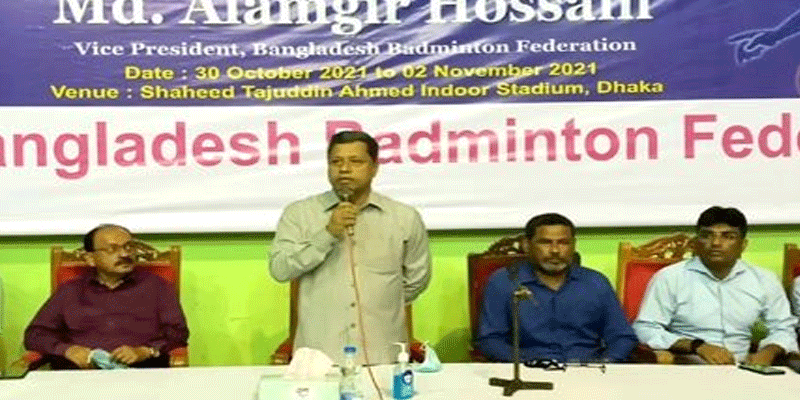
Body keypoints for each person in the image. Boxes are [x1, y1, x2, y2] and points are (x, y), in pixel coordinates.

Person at [269, 131, 432, 364]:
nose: (344, 169)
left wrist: (381, 300)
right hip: (319, 358)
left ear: (374, 167)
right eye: (336, 162)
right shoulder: (299, 214)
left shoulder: (404, 218)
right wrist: (327, 234)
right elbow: (280, 269)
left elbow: (416, 280)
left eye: (356, 161)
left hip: (383, 355)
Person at [633, 206, 798, 365]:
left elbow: (783, 328)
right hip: (686, 364)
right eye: (707, 235)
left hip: (742, 366)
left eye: (728, 236)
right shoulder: (670, 277)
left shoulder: (764, 279)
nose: (716, 243)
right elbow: (645, 329)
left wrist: (769, 352)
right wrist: (697, 346)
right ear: (696, 242)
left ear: (743, 245)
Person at [475, 213, 637, 362]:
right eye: (545, 242)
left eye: (563, 243)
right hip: (529, 369)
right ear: (526, 245)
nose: (555, 250)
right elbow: (490, 339)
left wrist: (607, 362)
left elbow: (622, 336)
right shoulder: (504, 282)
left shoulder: (595, 282)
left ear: (574, 245)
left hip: (588, 368)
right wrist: (527, 364)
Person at [24, 224, 189, 369]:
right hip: (79, 375)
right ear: (90, 259)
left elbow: (177, 332)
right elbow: (35, 335)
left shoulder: (156, 286)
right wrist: (67, 350)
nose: (124, 254)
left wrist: (145, 351)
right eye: (112, 249)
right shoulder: (70, 290)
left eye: (129, 247)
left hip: (140, 373)